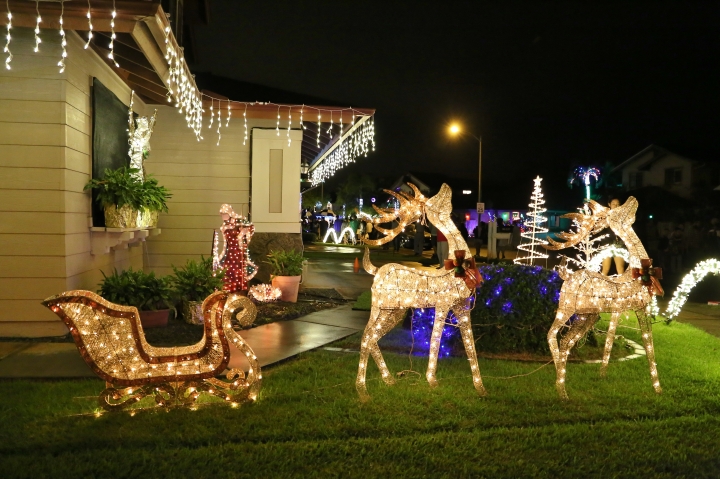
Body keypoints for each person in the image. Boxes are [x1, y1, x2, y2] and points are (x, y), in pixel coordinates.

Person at [601, 198, 626, 276]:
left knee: (620, 269)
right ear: (609, 205)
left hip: (619, 244)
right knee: (605, 269)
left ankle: (622, 283)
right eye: (614, 204)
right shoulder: (605, 216)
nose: (616, 205)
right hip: (606, 244)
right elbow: (601, 229)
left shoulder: (623, 217)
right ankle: (602, 283)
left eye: (618, 204)